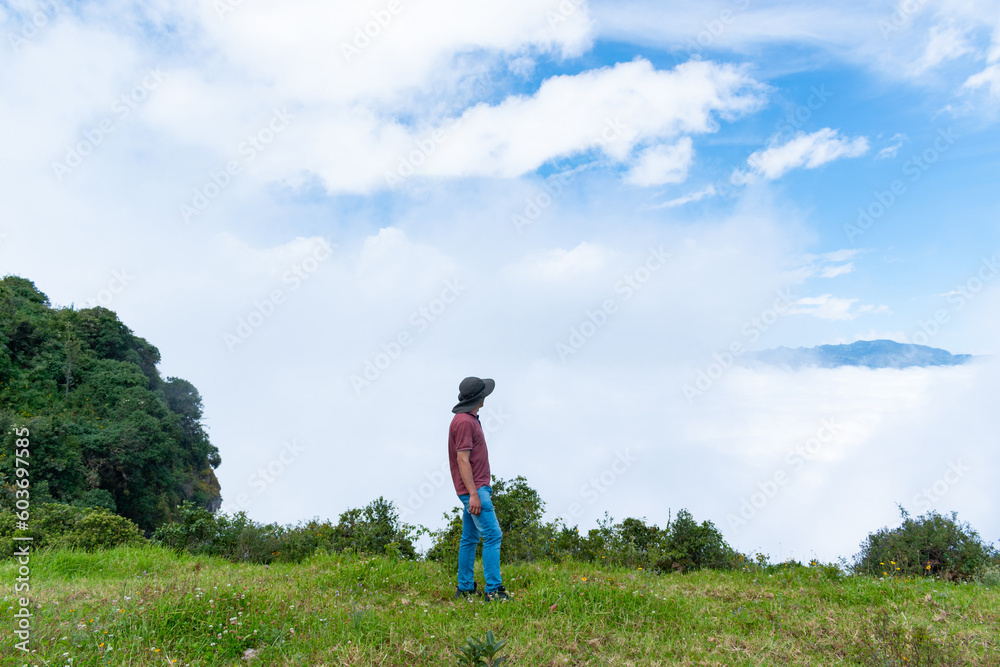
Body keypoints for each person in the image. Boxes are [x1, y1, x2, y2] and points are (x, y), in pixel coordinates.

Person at [448, 376, 510, 602]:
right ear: (478, 398)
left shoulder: (467, 418)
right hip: (475, 490)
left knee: (470, 537)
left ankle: (464, 588)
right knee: (493, 535)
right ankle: (494, 591)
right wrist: (474, 494)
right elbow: (462, 459)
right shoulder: (465, 421)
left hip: (475, 489)